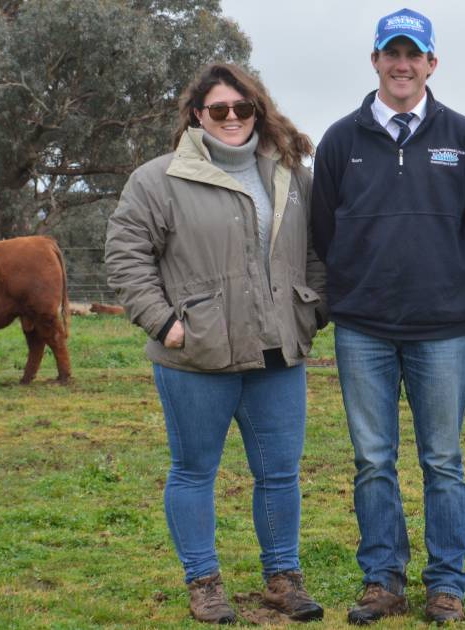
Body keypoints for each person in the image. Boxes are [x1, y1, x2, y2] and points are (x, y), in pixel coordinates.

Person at [105, 62, 327, 624]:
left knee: (279, 472)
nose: (231, 118)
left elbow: (321, 252)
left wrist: (312, 309)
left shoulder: (292, 175)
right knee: (193, 470)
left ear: (258, 110)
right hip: (195, 354)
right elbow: (126, 255)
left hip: (278, 353)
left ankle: (283, 578)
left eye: (242, 108)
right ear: (197, 115)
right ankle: (203, 581)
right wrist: (163, 322)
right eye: (218, 109)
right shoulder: (158, 179)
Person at [310, 8, 465, 625]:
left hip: (439, 331)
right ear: (374, 62)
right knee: (372, 459)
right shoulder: (341, 140)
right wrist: (355, 282)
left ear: (431, 64)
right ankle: (382, 579)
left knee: (442, 460)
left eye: (412, 55)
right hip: (362, 327)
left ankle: (448, 582)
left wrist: (447, 281)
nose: (402, 65)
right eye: (390, 54)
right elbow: (322, 231)